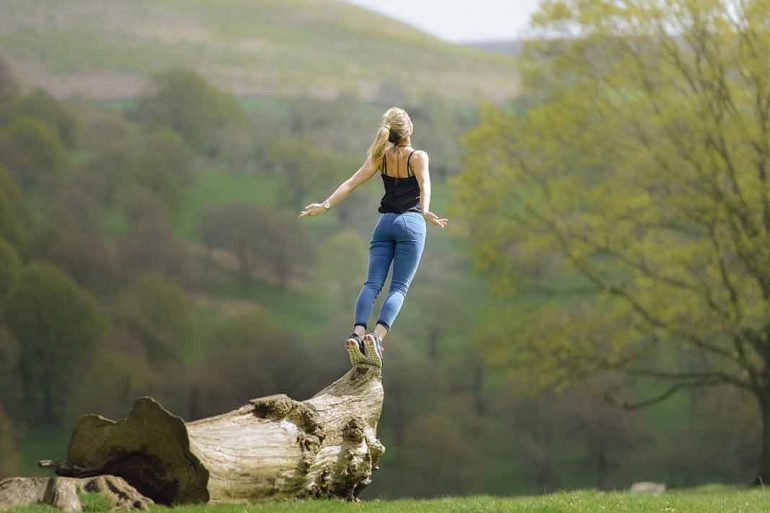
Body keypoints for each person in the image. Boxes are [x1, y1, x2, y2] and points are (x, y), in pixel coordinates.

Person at [298, 107, 448, 368]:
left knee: (371, 284)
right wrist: (425, 211)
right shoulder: (418, 156)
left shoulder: (381, 157)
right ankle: (376, 338)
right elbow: (425, 185)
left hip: (384, 224)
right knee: (399, 287)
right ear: (409, 130)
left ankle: (357, 334)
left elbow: (350, 183)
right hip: (411, 223)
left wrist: (325, 205)